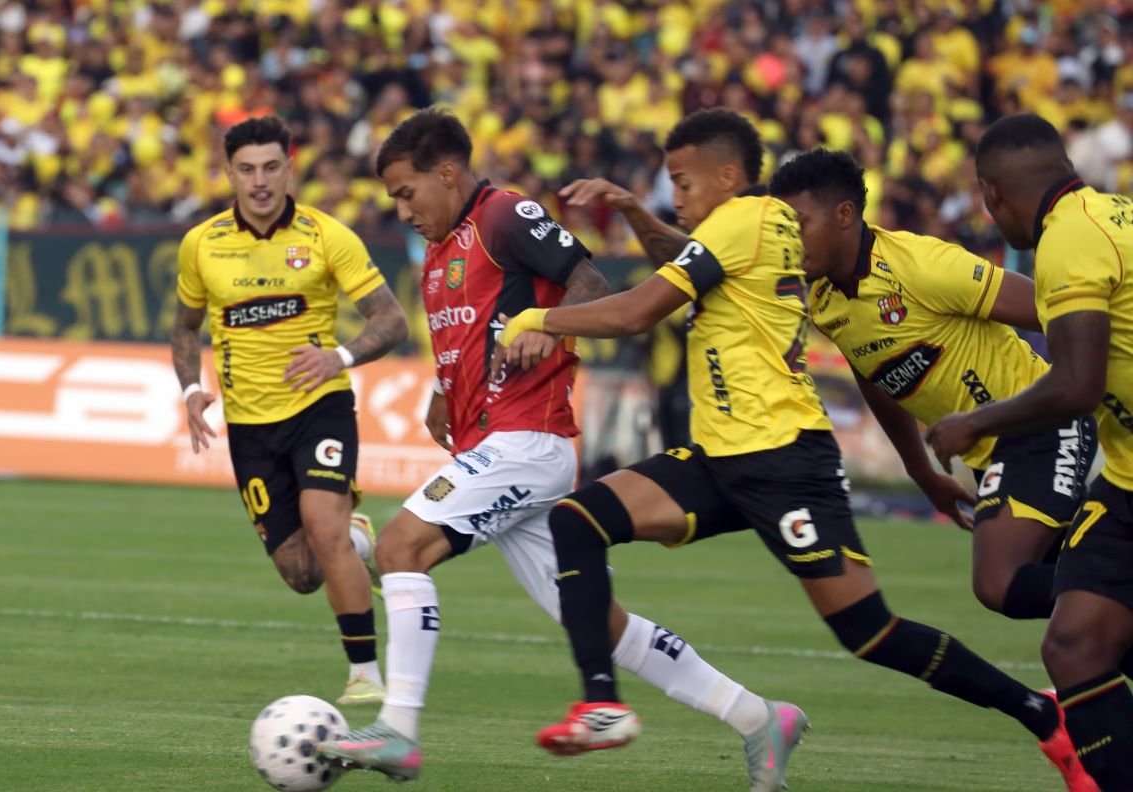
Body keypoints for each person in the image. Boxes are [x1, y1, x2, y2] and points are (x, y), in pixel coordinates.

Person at [495, 108, 1090, 792]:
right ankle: (602, 704)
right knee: (577, 521)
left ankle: (1053, 695)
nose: (677, 197)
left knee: (918, 614)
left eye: (683, 182)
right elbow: (870, 373)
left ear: (729, 178)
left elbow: (639, 309)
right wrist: (920, 470)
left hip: (796, 458)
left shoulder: (804, 235)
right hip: (725, 455)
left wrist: (535, 317)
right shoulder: (795, 267)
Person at [319, 108, 800, 791]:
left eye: (406, 191)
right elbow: (473, 331)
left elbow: (590, 281)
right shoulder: (438, 250)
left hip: (530, 438)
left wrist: (550, 327)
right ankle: (758, 717)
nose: (402, 208)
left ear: (448, 173)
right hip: (497, 441)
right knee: (598, 621)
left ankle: (398, 726)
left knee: (401, 547)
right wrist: (440, 388)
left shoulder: (503, 213)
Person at [768, 147, 1097, 625]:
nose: (789, 240)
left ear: (844, 215)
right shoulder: (823, 300)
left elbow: (1054, 309)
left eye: (797, 223)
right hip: (993, 453)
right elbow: (874, 373)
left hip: (1044, 424)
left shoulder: (921, 265)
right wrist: (920, 471)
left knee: (999, 580)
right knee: (1064, 593)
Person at [170, 116, 408, 707]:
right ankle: (357, 542)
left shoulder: (327, 236)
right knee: (302, 572)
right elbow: (183, 327)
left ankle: (365, 674)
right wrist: (189, 390)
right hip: (249, 426)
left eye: (271, 166)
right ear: (228, 173)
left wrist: (340, 357)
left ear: (289, 168)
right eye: (247, 169)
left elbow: (392, 320)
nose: (259, 181)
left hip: (319, 407)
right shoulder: (201, 244)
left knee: (322, 528)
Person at [927, 113, 1133, 790]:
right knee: (1076, 638)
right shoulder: (1112, 214)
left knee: (1074, 638)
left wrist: (973, 422)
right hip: (1127, 472)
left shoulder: (1068, 242)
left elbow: (1076, 384)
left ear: (992, 194)